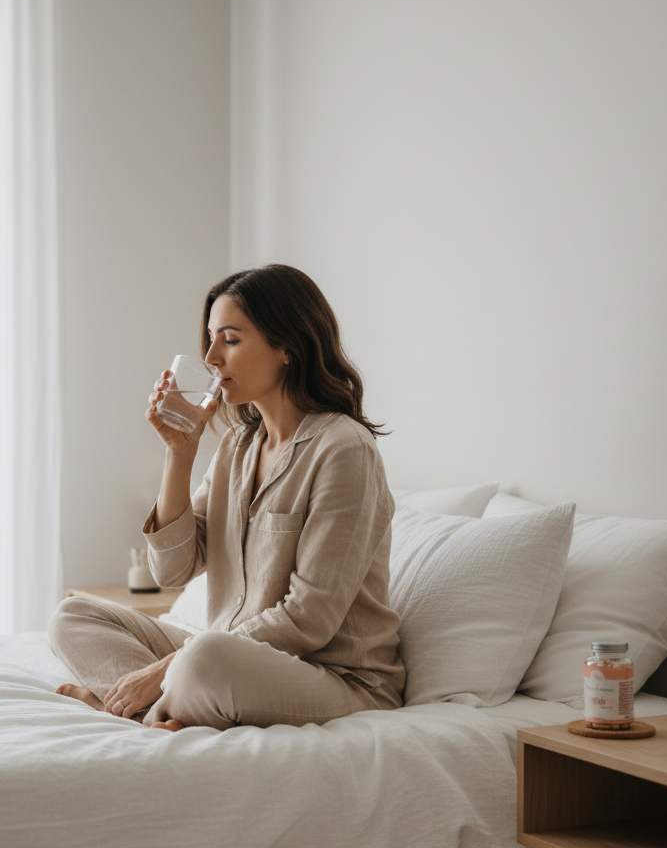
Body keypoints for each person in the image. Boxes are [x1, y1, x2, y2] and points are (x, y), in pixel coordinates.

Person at [48, 264, 405, 731]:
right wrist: (180, 452)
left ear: (287, 347)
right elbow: (172, 570)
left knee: (204, 661)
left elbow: (308, 620)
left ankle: (134, 703)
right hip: (227, 653)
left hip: (334, 675)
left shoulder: (345, 449)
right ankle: (153, 709)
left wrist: (170, 667)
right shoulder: (237, 448)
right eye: (211, 340)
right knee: (72, 615)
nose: (212, 358)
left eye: (231, 340)